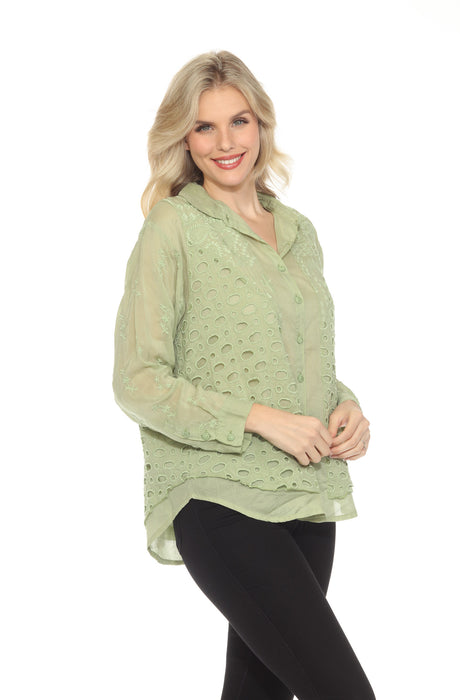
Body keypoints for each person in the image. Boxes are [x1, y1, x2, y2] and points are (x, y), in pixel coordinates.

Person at [113, 50, 376, 700]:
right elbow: (137, 380)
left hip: (304, 488)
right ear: (184, 138)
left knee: (259, 692)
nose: (225, 142)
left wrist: (345, 406)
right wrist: (259, 420)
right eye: (204, 127)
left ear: (261, 124)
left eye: (239, 121)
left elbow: (301, 356)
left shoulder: (297, 230)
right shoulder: (173, 227)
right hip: (218, 496)